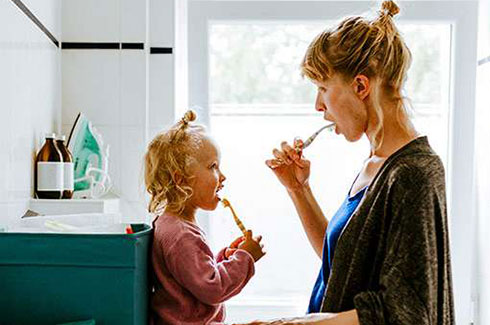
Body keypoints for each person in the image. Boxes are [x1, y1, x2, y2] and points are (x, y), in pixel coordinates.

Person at [253, 1, 454, 324]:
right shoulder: (376, 164)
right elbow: (344, 264)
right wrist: (298, 189)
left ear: (360, 86)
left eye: (322, 88)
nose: (319, 105)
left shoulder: (413, 174)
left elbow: (409, 313)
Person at [145, 110, 266, 325]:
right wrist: (245, 259)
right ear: (181, 180)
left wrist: (226, 257)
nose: (223, 176)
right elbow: (212, 288)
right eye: (213, 167)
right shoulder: (180, 234)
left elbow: (192, 279)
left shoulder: (174, 225)